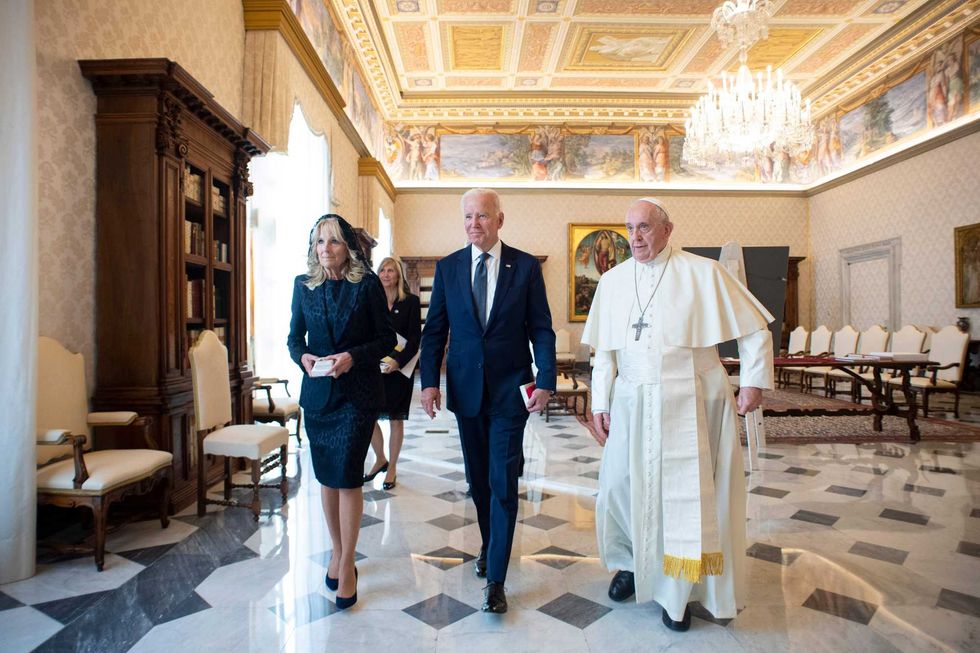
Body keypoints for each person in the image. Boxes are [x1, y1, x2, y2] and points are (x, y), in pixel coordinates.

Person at [582, 198, 774, 632]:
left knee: (683, 497)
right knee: (620, 487)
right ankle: (632, 564)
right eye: (630, 228)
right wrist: (600, 403)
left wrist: (753, 382)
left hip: (692, 398)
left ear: (667, 230)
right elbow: (604, 352)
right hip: (631, 401)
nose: (635, 237)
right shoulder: (612, 281)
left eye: (645, 227)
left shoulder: (703, 273)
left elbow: (755, 331)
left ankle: (679, 592)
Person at [420, 188, 556, 614]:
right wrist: (429, 383)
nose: (474, 224)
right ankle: (489, 543)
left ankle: (496, 579)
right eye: (468, 216)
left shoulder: (525, 266)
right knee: (478, 482)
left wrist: (546, 379)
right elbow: (434, 331)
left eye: (482, 216)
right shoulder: (449, 268)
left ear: (500, 220)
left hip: (511, 391)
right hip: (466, 390)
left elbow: (541, 328)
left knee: (502, 481)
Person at [287, 214, 396, 610]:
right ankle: (336, 549)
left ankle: (347, 562)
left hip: (356, 397)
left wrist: (352, 356)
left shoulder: (365, 285)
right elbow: (294, 338)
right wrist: (303, 357)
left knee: (348, 478)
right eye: (319, 242)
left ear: (347, 247)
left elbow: (386, 338)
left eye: (333, 241)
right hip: (318, 397)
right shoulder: (303, 286)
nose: (325, 249)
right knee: (327, 480)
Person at [364, 256, 421, 490]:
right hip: (373, 369)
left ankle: (392, 468)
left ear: (398, 275)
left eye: (390, 270)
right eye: (382, 270)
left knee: (396, 419)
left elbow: (415, 340)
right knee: (368, 416)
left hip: (399, 370)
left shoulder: (411, 302)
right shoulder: (371, 301)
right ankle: (380, 458)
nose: (386, 274)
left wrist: (397, 362)